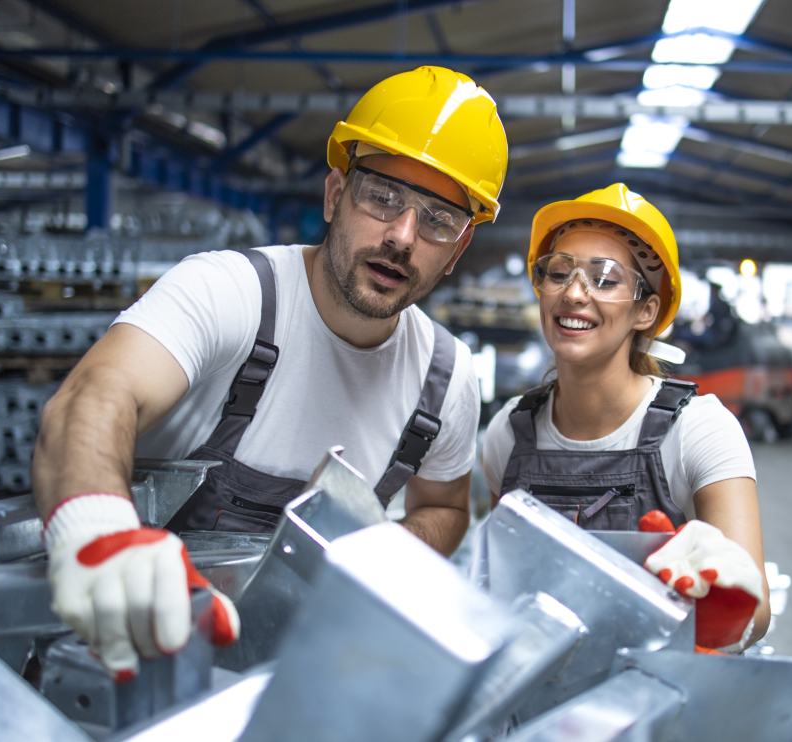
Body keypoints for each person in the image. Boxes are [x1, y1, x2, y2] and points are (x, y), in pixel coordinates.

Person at [32, 67, 508, 678]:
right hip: (130, 665)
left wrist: (376, 560)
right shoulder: (231, 292)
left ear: (458, 249)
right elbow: (95, 396)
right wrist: (96, 528)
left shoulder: (446, 378)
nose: (402, 236)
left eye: (438, 220)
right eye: (382, 197)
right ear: (335, 195)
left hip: (301, 681)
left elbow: (444, 506)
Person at [480, 184, 770, 651]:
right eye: (559, 272)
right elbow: (499, 583)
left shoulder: (698, 430)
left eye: (605, 278)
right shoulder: (508, 435)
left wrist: (718, 608)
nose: (574, 293)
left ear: (646, 310)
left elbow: (755, 611)